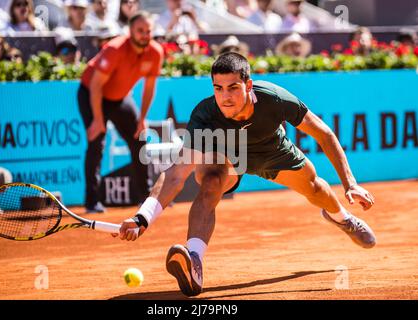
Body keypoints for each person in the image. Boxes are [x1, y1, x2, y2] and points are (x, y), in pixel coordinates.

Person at [115, 52, 377, 297]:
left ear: (248, 86)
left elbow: (324, 133)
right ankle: (194, 259)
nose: (225, 97)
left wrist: (350, 183)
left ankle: (343, 218)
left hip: (270, 152)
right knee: (210, 182)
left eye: (232, 88)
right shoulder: (205, 115)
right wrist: (143, 217)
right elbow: (175, 175)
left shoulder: (274, 99)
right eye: (218, 88)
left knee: (315, 189)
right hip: (225, 155)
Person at [78, 11, 163, 213]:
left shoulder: (156, 52)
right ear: (130, 31)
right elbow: (97, 85)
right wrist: (98, 120)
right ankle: (92, 202)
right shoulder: (114, 49)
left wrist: (142, 119)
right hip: (92, 93)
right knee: (96, 142)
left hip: (119, 98)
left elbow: (149, 88)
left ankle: (146, 199)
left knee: (140, 138)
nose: (144, 34)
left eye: (148, 31)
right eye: (140, 30)